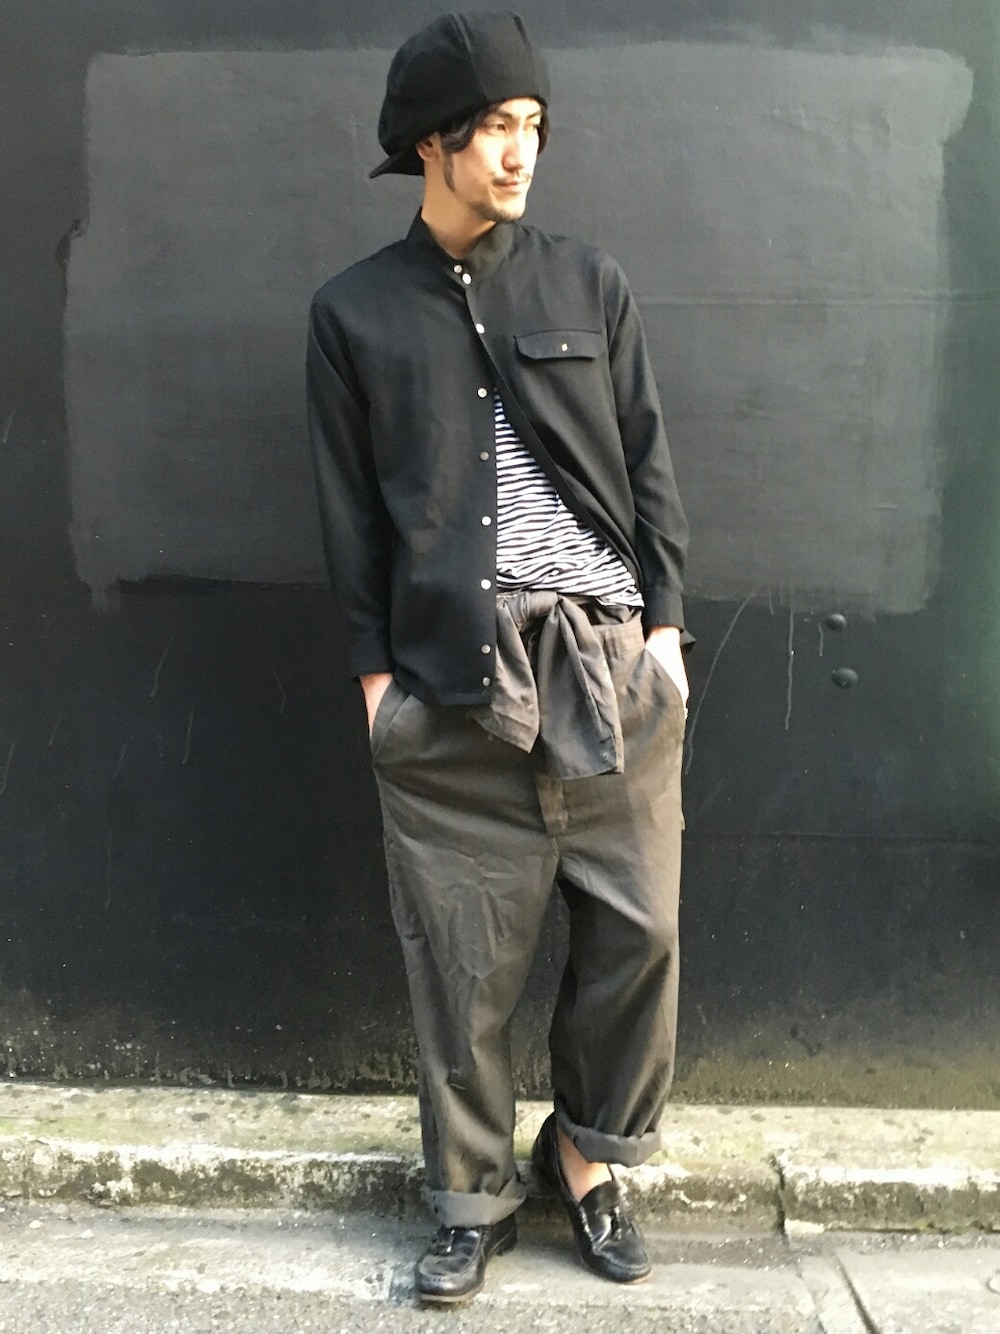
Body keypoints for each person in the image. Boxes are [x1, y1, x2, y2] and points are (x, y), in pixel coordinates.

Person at [307, 10, 690, 1306]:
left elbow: (648, 461)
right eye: (493, 129)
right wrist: (380, 686)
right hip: (451, 681)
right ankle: (471, 1199)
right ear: (433, 143)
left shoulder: (589, 283)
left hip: (606, 666)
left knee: (639, 932)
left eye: (532, 126)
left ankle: (584, 1159)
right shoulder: (353, 314)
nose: (520, 152)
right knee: (463, 961)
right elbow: (351, 517)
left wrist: (665, 634)